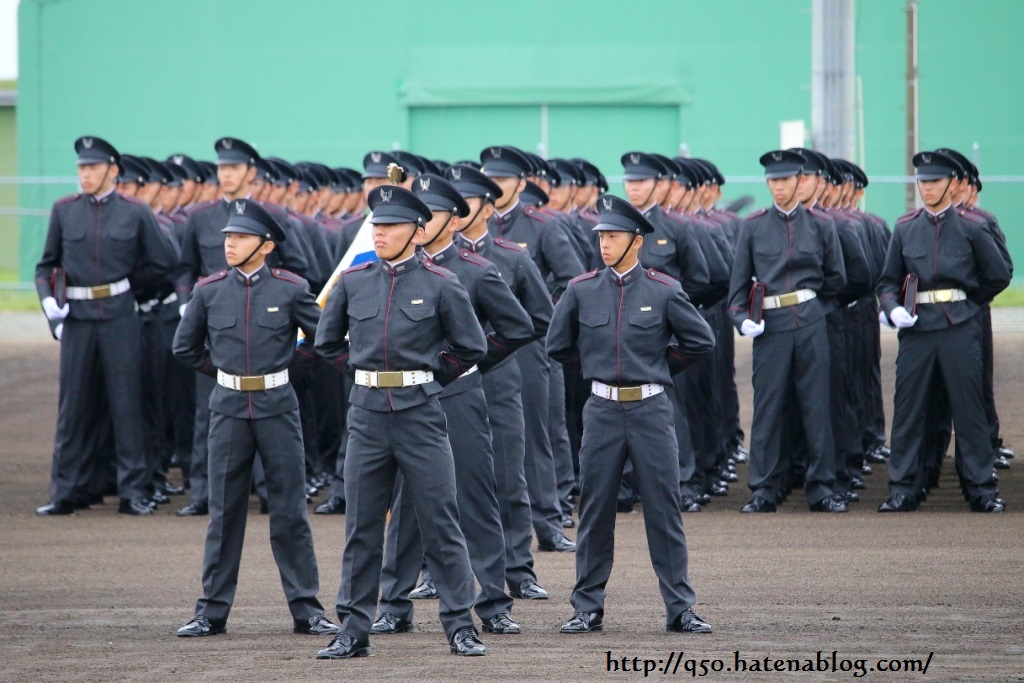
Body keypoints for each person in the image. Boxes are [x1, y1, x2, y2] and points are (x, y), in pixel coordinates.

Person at [314, 186, 488, 658]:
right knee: (362, 526)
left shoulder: (441, 282)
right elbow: (327, 344)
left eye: (389, 226)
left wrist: (430, 377)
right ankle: (353, 629)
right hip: (367, 416)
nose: (380, 232)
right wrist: (365, 373)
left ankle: (460, 626)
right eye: (376, 225)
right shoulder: (354, 280)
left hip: (420, 415)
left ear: (416, 231)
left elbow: (472, 346)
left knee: (441, 522)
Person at [371, 174, 536, 637]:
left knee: (474, 495)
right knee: (405, 502)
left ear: (452, 219)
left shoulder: (476, 268)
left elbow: (519, 327)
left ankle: (493, 603)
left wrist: (468, 367)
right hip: (404, 397)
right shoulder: (392, 270)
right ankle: (395, 605)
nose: (422, 221)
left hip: (457, 396)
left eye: (434, 212)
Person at [546, 194, 715, 634]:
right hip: (601, 409)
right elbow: (557, 345)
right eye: (601, 236)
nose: (604, 244)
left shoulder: (662, 289)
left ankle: (680, 608)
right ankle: (587, 606)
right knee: (596, 510)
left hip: (651, 409)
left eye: (614, 236)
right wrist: (600, 369)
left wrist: (656, 368)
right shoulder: (581, 290)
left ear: (636, 241)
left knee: (664, 510)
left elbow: (700, 340)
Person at [172, 199, 337, 637]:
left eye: (241, 238)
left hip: (277, 408)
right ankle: (211, 611)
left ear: (266, 246)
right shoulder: (208, 290)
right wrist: (225, 375)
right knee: (224, 513)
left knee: (290, 512)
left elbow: (321, 340)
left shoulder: (290, 287)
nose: (229, 244)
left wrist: (284, 371)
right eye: (228, 237)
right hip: (227, 410)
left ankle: (307, 610)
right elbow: (184, 348)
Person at [35, 136, 176, 516]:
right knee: (74, 408)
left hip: (119, 318)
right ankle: (66, 490)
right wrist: (51, 307)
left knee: (126, 404)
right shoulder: (64, 211)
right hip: (78, 320)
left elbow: (162, 261)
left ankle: (133, 491)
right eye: (82, 168)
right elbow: (45, 267)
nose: (86, 175)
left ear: (112, 171)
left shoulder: (135, 211)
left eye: (93, 168)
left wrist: (129, 286)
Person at [876, 151, 1011, 513]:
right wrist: (893, 310)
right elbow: (887, 281)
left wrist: (969, 303)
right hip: (918, 329)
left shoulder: (973, 226)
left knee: (969, 411)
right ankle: (903, 488)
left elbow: (998, 274)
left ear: (953, 184)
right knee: (908, 410)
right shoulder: (905, 227)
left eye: (934, 181)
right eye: (922, 182)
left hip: (958, 327)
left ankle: (981, 489)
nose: (928, 188)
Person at [450, 163, 556, 602]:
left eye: (467, 202)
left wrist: (481, 354)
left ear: (488, 208)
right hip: (445, 384)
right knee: (441, 477)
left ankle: (519, 569)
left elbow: (540, 317)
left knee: (509, 476)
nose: (456, 210)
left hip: (497, 378)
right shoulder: (433, 260)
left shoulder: (512, 256)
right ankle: (436, 571)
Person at [726, 150, 848, 513]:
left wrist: (814, 310)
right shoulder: (753, 225)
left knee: (816, 406)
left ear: (800, 180)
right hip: (771, 325)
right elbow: (736, 289)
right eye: (772, 181)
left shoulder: (822, 225)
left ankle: (822, 488)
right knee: (768, 409)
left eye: (784, 180)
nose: (778, 187)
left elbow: (836, 280)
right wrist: (742, 319)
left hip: (810, 322)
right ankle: (764, 488)